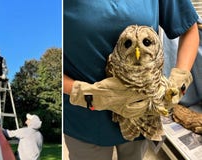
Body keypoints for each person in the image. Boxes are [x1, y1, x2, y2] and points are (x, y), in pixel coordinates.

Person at [63, 1, 199, 160]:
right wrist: (81, 92)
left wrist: (178, 82)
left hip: (142, 114)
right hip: (85, 119)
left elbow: (190, 29)